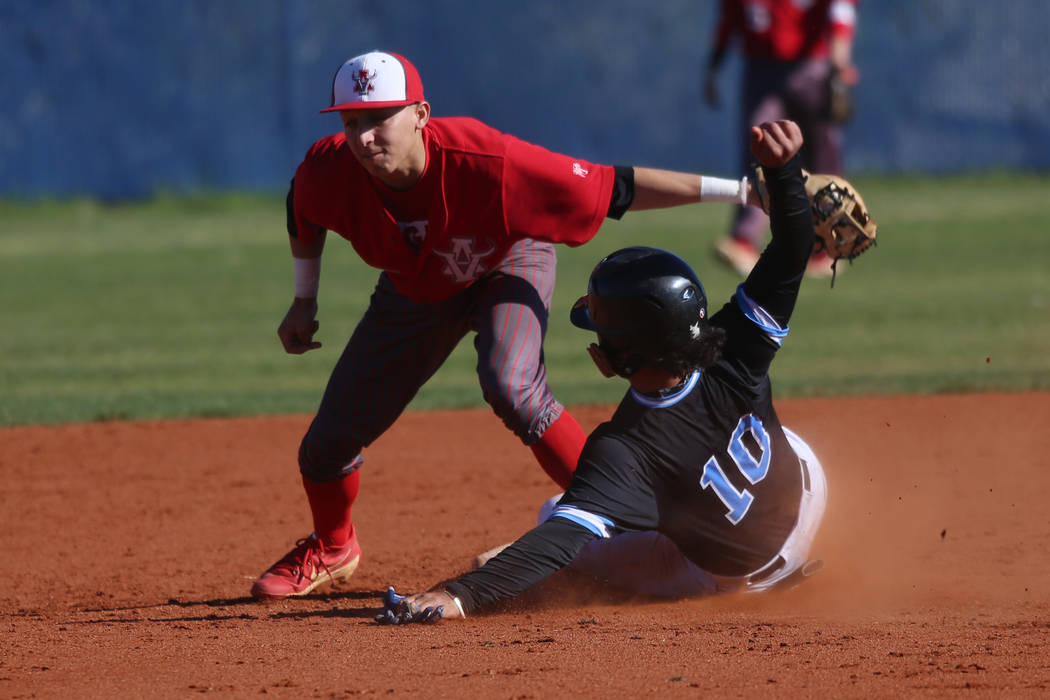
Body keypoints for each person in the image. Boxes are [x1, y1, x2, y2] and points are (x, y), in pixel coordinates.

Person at [251, 50, 770, 599]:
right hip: (416, 287)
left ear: (422, 115)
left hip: (508, 256)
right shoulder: (329, 170)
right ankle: (333, 548)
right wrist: (303, 300)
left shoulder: (489, 161)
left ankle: (638, 527)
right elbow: (301, 208)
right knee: (326, 444)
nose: (364, 137)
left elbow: (613, 186)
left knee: (513, 386)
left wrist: (743, 192)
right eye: (351, 121)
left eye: (381, 118)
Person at [378, 119, 828, 624]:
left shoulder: (625, 448)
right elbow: (793, 248)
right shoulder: (735, 346)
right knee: (730, 449)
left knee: (557, 514)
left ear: (611, 361)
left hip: (746, 573)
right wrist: (784, 171)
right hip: (809, 491)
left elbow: (559, 539)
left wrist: (461, 594)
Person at [705, 0, 859, 279]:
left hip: (812, 64)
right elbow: (730, 19)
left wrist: (839, 69)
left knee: (822, 158)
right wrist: (714, 65)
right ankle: (745, 239)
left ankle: (826, 244)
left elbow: (841, 9)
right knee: (759, 150)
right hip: (761, 67)